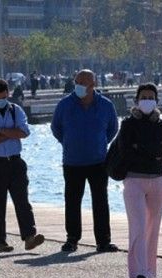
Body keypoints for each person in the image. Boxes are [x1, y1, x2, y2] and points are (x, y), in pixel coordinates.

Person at [51, 69, 119, 253]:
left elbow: (113, 128)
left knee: (100, 201)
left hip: (98, 161)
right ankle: (72, 239)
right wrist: (67, 142)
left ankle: (103, 241)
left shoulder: (105, 105)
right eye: (77, 82)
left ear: (93, 85)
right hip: (72, 162)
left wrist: (101, 143)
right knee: (72, 201)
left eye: (83, 82)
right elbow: (56, 127)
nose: (79, 85)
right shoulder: (65, 104)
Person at [0, 79, 45, 252]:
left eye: (4, 96)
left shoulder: (16, 110)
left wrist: (0, 131)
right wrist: (11, 132)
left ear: (8, 94)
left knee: (22, 200)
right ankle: (0, 242)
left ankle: (29, 236)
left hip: (15, 162)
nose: (1, 99)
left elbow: (24, 133)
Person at [117, 84, 162, 278]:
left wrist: (141, 147)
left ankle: (150, 272)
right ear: (137, 100)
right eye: (144, 97)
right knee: (138, 226)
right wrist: (151, 151)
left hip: (158, 180)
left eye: (151, 97)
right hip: (134, 180)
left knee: (152, 228)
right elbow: (126, 151)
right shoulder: (128, 124)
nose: (147, 100)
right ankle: (138, 273)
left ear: (157, 100)